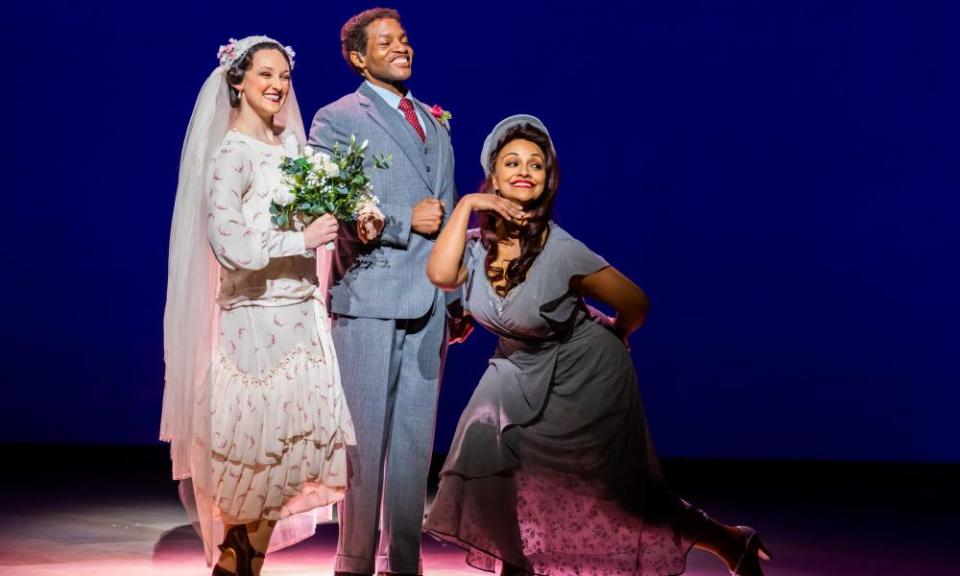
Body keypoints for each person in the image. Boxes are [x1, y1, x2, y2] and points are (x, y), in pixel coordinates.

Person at [423, 115, 772, 576]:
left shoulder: (561, 249)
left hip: (585, 372)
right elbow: (441, 275)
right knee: (485, 450)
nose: (525, 171)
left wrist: (616, 334)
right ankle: (517, 566)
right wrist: (467, 203)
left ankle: (729, 540)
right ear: (494, 176)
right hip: (518, 368)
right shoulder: (472, 246)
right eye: (512, 163)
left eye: (537, 164)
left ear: (549, 180)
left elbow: (636, 303)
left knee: (618, 494)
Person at [161, 35, 378, 576]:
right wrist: (299, 241)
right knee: (262, 453)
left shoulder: (292, 149)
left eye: (284, 75)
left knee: (291, 455)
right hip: (256, 323)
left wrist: (362, 210)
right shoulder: (231, 153)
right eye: (265, 74)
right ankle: (238, 561)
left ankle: (240, 557)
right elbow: (230, 244)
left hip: (301, 317)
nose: (278, 85)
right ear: (238, 82)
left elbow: (336, 190)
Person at [307, 7, 464, 576]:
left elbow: (449, 218)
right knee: (363, 442)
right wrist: (402, 218)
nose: (403, 48)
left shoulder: (436, 120)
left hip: (428, 304)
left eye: (405, 40)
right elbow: (328, 197)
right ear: (358, 56)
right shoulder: (336, 118)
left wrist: (455, 299)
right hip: (369, 297)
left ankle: (405, 562)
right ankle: (353, 563)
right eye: (387, 42)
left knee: (414, 448)